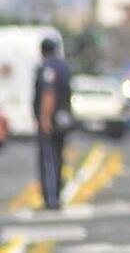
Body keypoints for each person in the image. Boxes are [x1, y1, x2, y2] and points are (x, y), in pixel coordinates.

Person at [34, 37, 71, 210]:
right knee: (59, 158)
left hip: (52, 119)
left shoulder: (48, 68)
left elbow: (49, 92)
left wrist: (44, 118)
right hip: (64, 119)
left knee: (48, 159)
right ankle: (57, 193)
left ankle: (51, 198)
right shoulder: (63, 66)